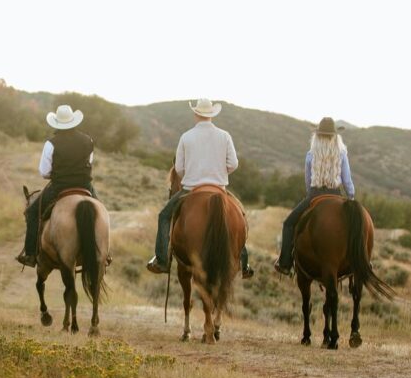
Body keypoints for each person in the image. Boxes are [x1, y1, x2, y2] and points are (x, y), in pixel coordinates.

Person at [146, 98, 254, 278]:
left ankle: (161, 260)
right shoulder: (225, 136)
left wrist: (192, 173)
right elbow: (233, 164)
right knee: (239, 215)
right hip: (218, 187)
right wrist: (219, 172)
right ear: (211, 115)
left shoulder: (186, 137)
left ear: (196, 114)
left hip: (191, 189)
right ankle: (243, 262)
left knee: (164, 216)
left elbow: (179, 169)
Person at [15, 104, 96, 268]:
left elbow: (44, 171)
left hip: (60, 186)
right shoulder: (88, 140)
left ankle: (30, 255)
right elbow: (89, 162)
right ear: (73, 121)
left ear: (57, 123)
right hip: (85, 184)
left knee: (32, 213)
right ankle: (104, 254)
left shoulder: (51, 143)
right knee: (100, 214)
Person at [273, 117, 356, 275]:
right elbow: (347, 181)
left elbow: (308, 181)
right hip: (336, 194)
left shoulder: (311, 155)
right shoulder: (342, 154)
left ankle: (285, 263)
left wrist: (310, 196)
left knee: (288, 224)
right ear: (335, 137)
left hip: (315, 194)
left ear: (317, 136)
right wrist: (351, 197)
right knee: (356, 226)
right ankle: (362, 260)